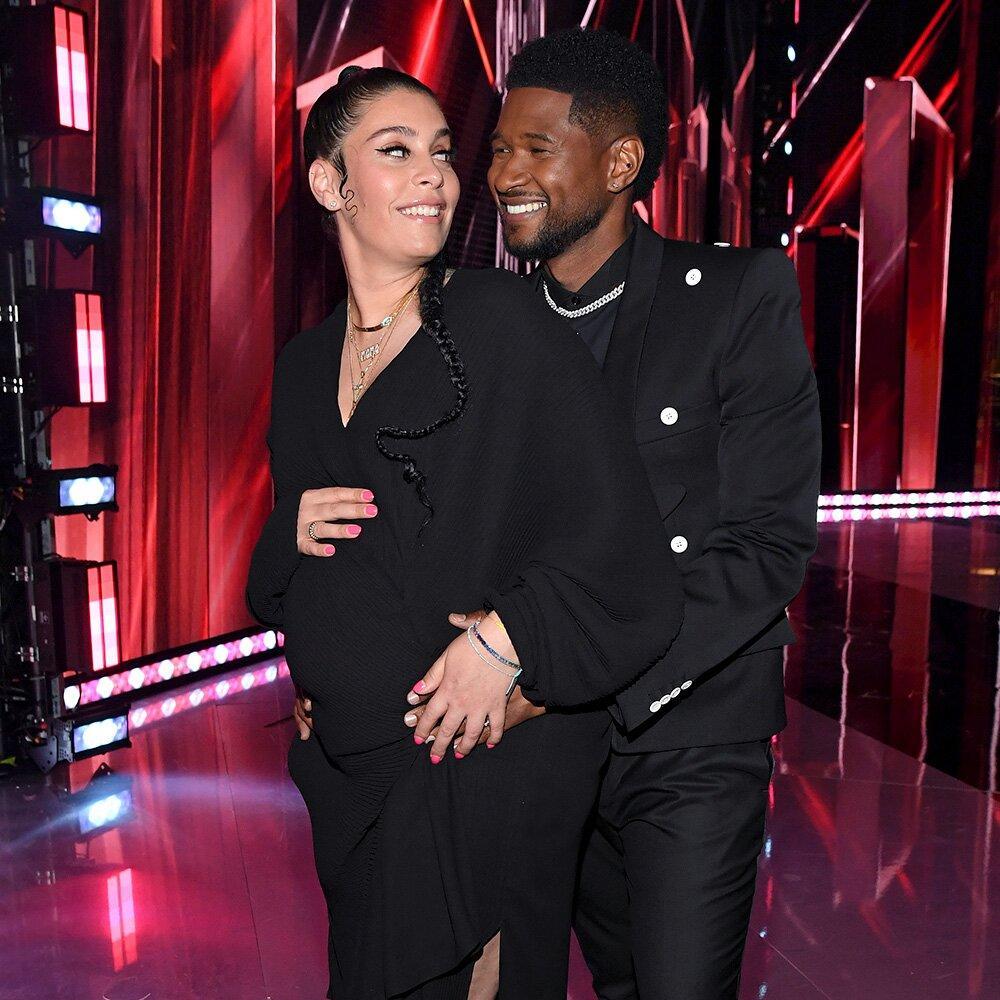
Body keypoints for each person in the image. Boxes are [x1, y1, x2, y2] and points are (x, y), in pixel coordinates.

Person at [298, 29, 821, 999]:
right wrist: (337, 653)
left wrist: (554, 668)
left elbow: (765, 546)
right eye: (497, 149)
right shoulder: (473, 324)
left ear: (620, 164)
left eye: (535, 149)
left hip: (685, 729)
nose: (502, 175)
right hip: (524, 745)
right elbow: (428, 528)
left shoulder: (736, 297)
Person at [245, 64, 684, 1000]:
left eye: (442, 154)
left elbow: (619, 542)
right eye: (396, 151)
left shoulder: (501, 323)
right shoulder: (302, 367)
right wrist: (288, 543)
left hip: (479, 764)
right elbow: (292, 581)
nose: (434, 176)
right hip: (351, 776)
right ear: (329, 183)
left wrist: (509, 640)